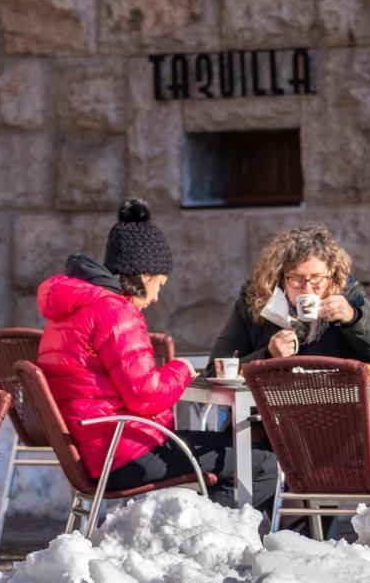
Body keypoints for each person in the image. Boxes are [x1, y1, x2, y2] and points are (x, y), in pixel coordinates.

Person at [37, 198, 278, 509]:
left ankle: (205, 536)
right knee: (259, 462)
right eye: (160, 285)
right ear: (145, 275)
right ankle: (221, 544)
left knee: (237, 454)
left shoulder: (71, 311)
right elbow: (145, 395)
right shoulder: (116, 313)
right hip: (124, 452)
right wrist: (180, 369)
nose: (156, 297)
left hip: (98, 449)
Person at [211, 224, 370, 365]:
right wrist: (267, 355)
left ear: (332, 277)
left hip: (340, 417)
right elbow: (217, 369)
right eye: (297, 279)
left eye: (317, 278)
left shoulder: (348, 298)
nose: (307, 289)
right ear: (280, 279)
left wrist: (353, 320)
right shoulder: (255, 304)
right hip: (268, 421)